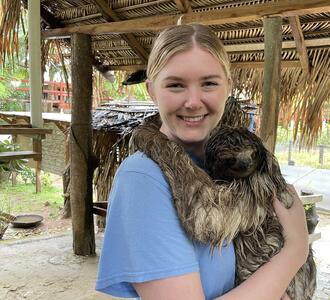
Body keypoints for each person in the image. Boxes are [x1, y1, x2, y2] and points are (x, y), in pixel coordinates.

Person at [96, 23, 309, 300]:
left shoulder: (215, 162)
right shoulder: (142, 178)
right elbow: (206, 222)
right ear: (151, 90)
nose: (193, 102)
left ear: (228, 87)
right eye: (175, 85)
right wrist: (297, 249)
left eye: (209, 83)